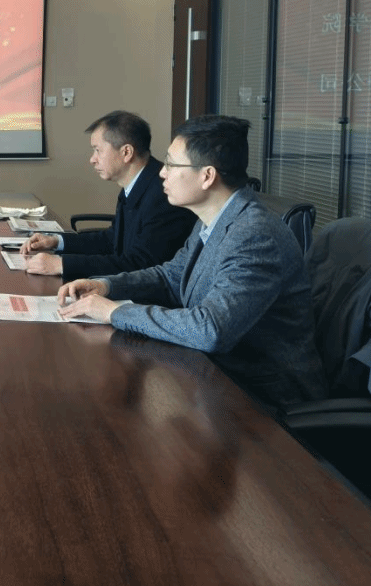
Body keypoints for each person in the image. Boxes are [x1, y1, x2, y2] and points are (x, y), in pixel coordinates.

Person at [57, 115, 327, 408]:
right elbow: (172, 276)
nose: (162, 173)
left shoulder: (254, 235)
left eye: (172, 165)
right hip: (215, 373)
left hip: (263, 396)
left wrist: (114, 312)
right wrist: (106, 285)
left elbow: (211, 329)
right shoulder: (212, 218)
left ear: (207, 176)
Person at [21, 111, 195, 279]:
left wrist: (61, 264)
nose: (92, 159)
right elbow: (113, 240)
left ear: (126, 152)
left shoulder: (163, 194)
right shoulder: (138, 183)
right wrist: (56, 241)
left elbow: (140, 265)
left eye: (98, 150)